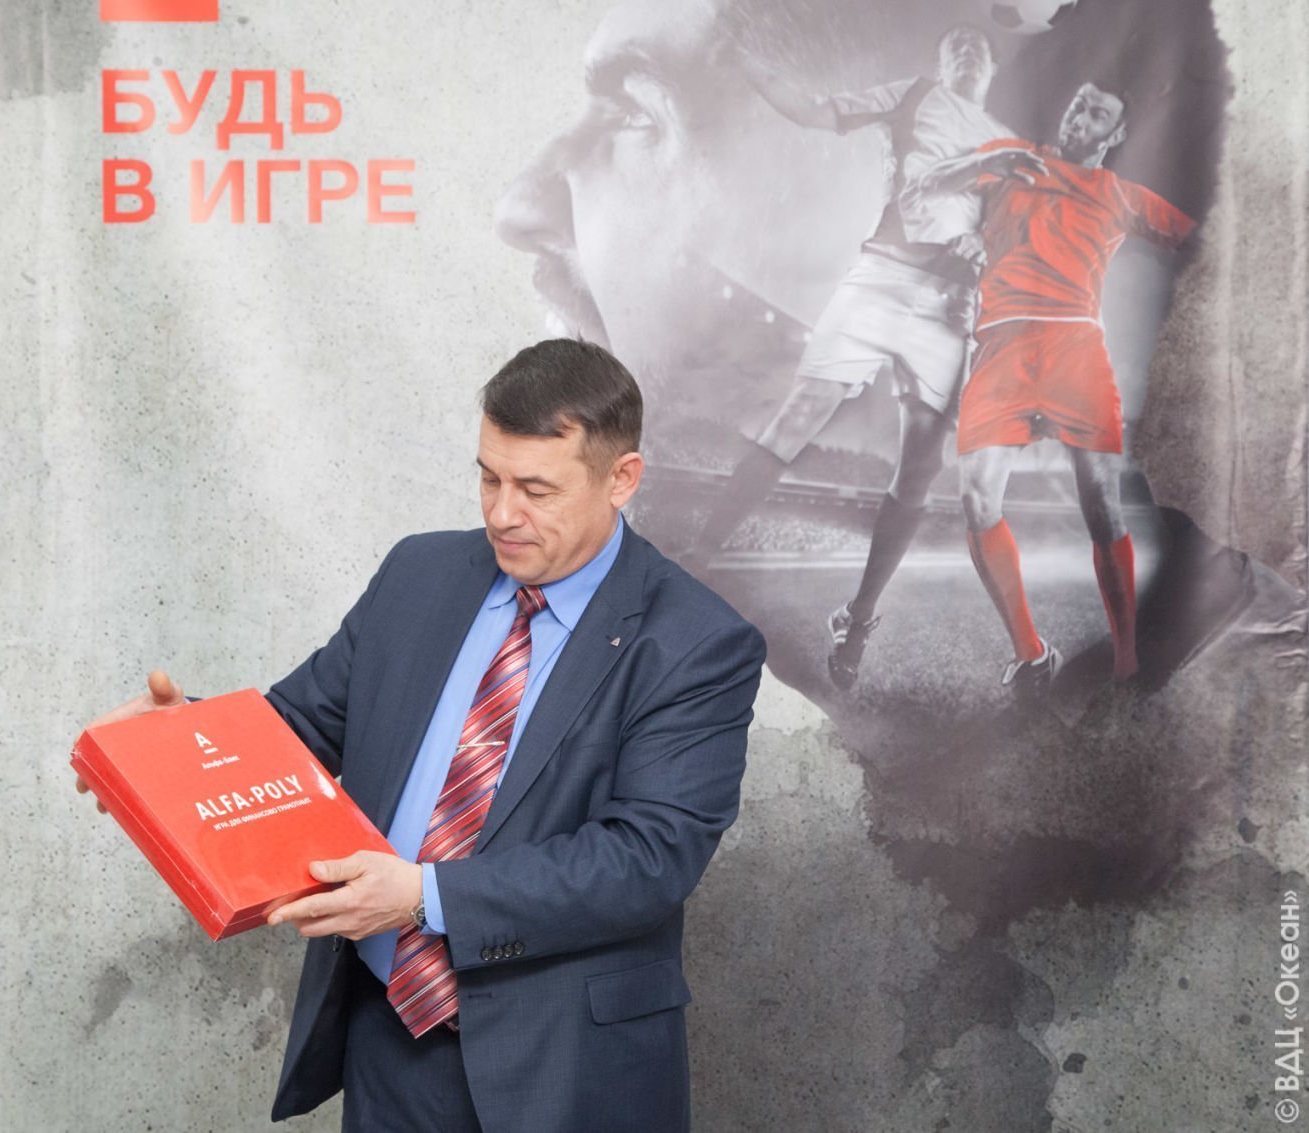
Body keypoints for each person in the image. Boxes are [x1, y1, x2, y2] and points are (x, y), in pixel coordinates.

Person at [84, 338, 765, 1131]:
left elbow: (647, 859)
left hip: (564, 1067)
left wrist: (422, 897)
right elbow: (298, 730)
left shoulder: (695, 641)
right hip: (387, 1040)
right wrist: (176, 749)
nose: (501, 513)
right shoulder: (418, 575)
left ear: (622, 478)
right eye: (489, 476)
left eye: (536, 489)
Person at [685, 23, 1010, 689]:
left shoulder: (1009, 142)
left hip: (950, 307)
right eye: (954, 41)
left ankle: (858, 617)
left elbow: (1015, 233)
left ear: (993, 65)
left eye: (978, 43)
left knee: (919, 469)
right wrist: (745, 62)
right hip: (882, 279)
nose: (966, 46)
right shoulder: (914, 94)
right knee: (800, 413)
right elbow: (817, 110)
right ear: (941, 58)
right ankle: (697, 557)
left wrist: (988, 251)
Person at [913, 82, 1195, 691]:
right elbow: (927, 185)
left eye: (1097, 112)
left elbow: (1197, 239)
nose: (1079, 116)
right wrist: (987, 164)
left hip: (1075, 346)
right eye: (1077, 104)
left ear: (1116, 134)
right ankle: (1033, 656)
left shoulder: (1117, 194)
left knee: (1102, 506)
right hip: (1002, 345)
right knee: (976, 500)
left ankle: (1127, 664)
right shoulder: (1012, 158)